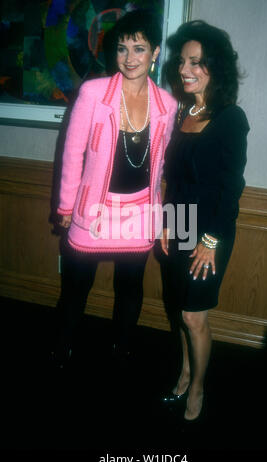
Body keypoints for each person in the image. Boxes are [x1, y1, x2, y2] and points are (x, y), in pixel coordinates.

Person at [52, 10, 177, 367]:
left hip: (139, 212)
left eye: (139, 49)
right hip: (92, 210)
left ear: (155, 52)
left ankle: (120, 348)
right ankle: (62, 346)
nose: (129, 58)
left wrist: (163, 215)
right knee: (76, 288)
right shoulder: (93, 93)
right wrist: (64, 206)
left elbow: (164, 165)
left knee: (130, 288)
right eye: (122, 49)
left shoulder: (167, 105)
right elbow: (72, 152)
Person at [160, 20, 249, 421]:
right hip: (177, 221)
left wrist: (210, 240)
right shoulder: (183, 112)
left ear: (215, 67)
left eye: (196, 62)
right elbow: (174, 179)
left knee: (195, 315)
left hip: (210, 229)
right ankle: (183, 372)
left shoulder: (231, 118)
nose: (185, 69)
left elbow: (230, 188)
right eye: (182, 61)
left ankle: (197, 387)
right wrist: (166, 222)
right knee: (179, 309)